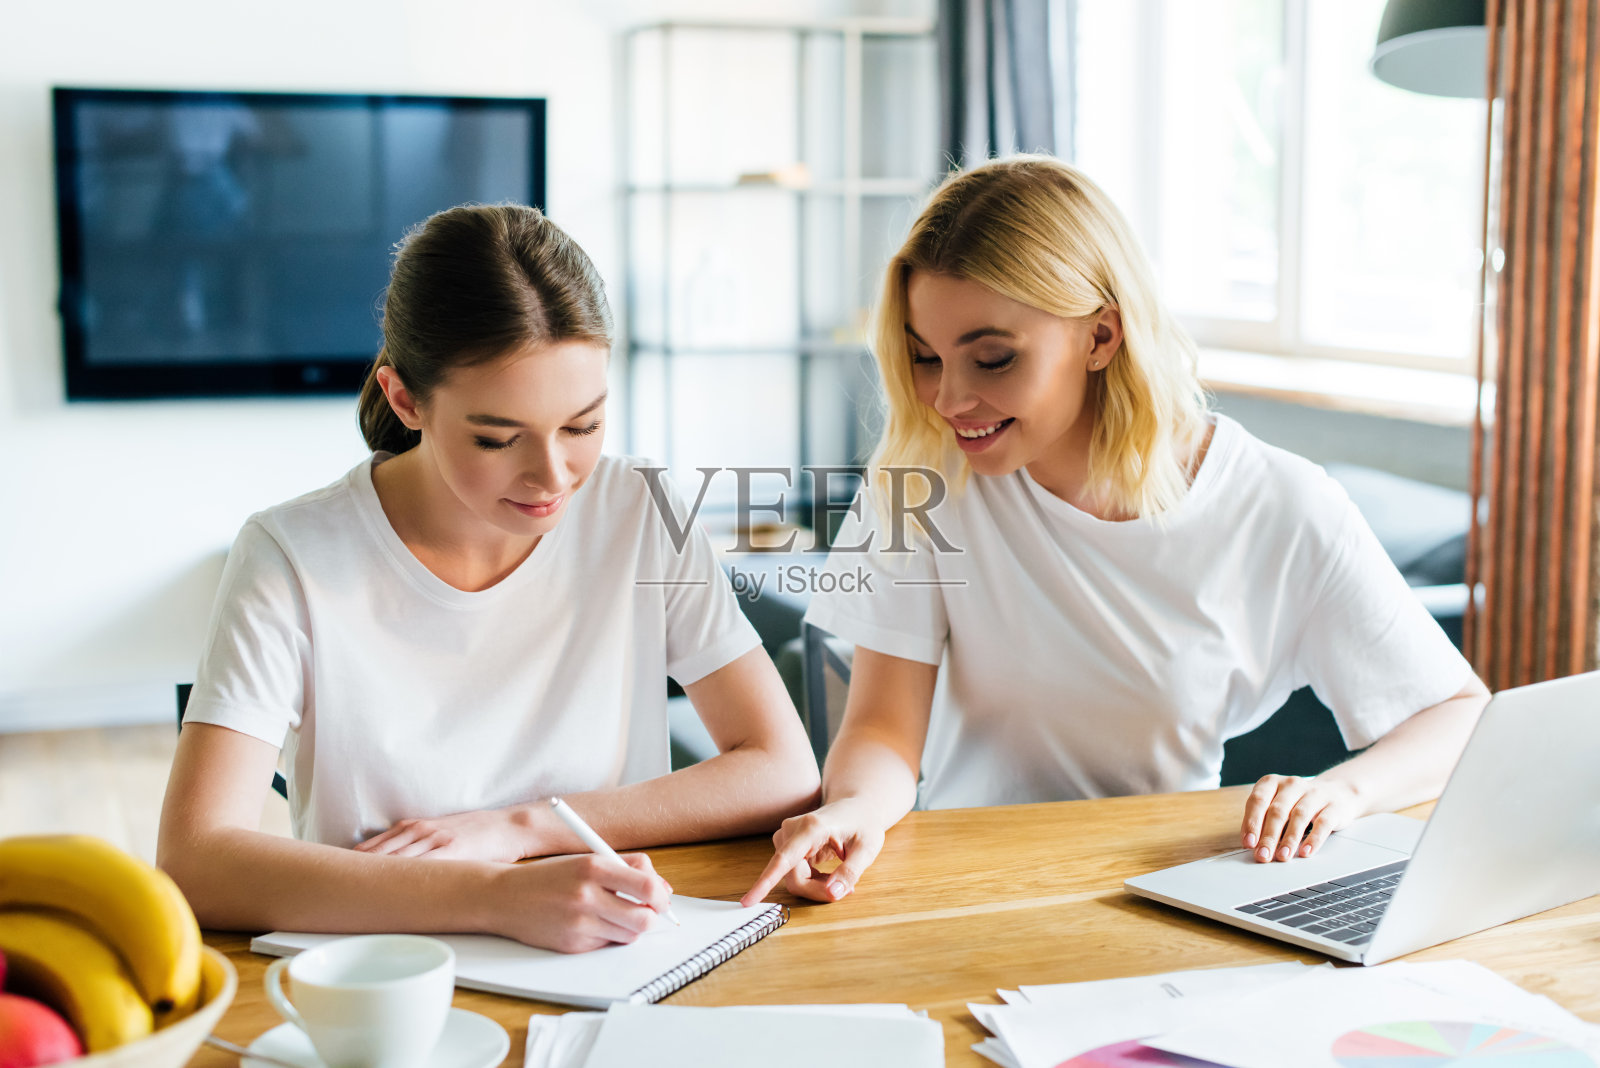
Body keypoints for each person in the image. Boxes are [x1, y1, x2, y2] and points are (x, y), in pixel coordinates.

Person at [742, 157, 1489, 907]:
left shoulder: (1279, 505)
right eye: (925, 357)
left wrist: (1344, 792)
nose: (948, 398)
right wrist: (857, 810)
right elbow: (881, 726)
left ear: (1101, 336)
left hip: (1167, 891)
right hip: (964, 883)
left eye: (993, 358)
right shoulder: (924, 479)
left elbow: (1458, 715)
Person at [158, 204, 819, 953]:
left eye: (582, 425)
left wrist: (522, 829)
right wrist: (494, 895)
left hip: (616, 949)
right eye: (498, 438)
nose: (552, 475)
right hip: (390, 968)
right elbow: (194, 859)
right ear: (405, 399)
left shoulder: (638, 510)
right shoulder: (291, 555)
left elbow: (782, 766)